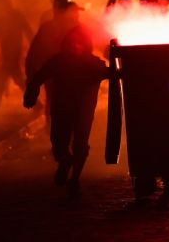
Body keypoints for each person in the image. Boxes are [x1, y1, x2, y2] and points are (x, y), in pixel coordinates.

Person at [24, 26, 108, 195]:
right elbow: (39, 76)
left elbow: (113, 73)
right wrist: (31, 94)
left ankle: (75, 178)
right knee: (58, 141)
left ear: (85, 45)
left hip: (83, 111)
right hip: (61, 108)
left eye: (79, 42)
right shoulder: (58, 61)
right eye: (72, 42)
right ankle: (64, 161)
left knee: (80, 144)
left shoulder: (94, 63)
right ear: (66, 43)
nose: (75, 45)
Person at [0, 0, 33, 92]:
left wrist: (34, 44)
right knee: (16, 77)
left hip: (14, 52)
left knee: (2, 77)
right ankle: (36, 103)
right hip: (6, 52)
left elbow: (28, 30)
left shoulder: (17, 15)